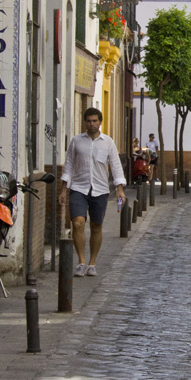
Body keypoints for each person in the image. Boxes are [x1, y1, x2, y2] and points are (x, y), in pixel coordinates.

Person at [59, 107, 127, 277]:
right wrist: (63, 190)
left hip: (100, 190)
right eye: (89, 121)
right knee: (78, 223)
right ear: (85, 122)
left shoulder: (108, 142)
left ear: (100, 122)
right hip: (78, 188)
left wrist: (120, 189)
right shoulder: (76, 141)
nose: (92, 124)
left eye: (95, 121)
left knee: (96, 226)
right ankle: (81, 262)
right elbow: (68, 165)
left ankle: (92, 263)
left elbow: (116, 166)